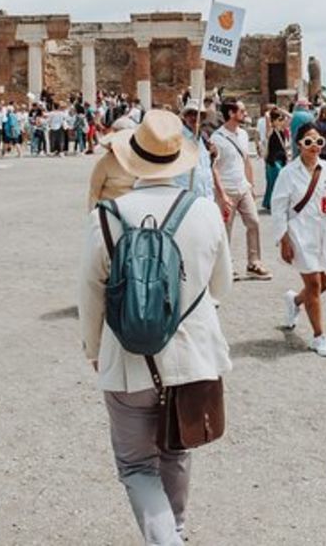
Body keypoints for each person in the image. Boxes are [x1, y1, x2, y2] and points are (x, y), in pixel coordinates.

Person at [77, 110, 232, 546]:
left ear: (132, 159)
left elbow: (90, 293)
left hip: (128, 354)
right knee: (176, 448)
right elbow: (221, 286)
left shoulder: (107, 216)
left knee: (136, 465)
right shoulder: (205, 211)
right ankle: (175, 530)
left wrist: (94, 349)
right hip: (191, 356)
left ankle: (167, 540)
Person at [272, 123, 326, 357]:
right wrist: (283, 238)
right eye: (308, 142)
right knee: (314, 285)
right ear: (299, 144)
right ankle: (319, 336)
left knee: (323, 284)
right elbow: (278, 207)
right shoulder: (288, 173)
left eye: (318, 142)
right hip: (300, 233)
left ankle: (295, 301)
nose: (314, 146)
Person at [211, 100, 270, 280]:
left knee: (254, 222)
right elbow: (213, 167)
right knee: (225, 229)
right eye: (242, 111)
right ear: (231, 113)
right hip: (226, 189)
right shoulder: (217, 138)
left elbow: (246, 161)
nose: (245, 113)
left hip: (243, 187)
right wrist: (221, 194)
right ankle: (226, 266)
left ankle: (254, 262)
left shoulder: (243, 134)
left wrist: (251, 185)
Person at [89, 124, 139, 210]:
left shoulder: (140, 161)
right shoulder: (105, 162)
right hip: (110, 209)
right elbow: (94, 191)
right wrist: (92, 212)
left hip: (133, 209)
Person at [261, 108, 289, 212]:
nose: (282, 121)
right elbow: (267, 117)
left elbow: (290, 117)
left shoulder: (282, 130)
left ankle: (269, 203)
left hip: (281, 159)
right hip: (273, 160)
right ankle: (272, 203)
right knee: (274, 182)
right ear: (273, 121)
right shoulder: (271, 130)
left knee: (275, 182)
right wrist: (269, 112)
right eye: (279, 119)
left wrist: (281, 111)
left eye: (282, 119)